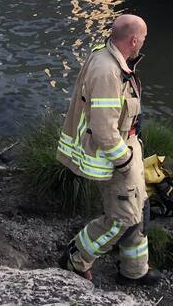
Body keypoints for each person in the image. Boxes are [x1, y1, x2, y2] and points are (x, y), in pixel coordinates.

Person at [57, 15, 160, 286]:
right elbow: (103, 129)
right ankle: (75, 257)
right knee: (123, 219)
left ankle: (134, 270)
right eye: (145, 38)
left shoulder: (110, 57)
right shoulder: (107, 71)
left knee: (140, 208)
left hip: (129, 147)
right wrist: (124, 161)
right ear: (134, 40)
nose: (145, 43)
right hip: (116, 157)